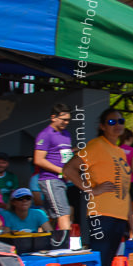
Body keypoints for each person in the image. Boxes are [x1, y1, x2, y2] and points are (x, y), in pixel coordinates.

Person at [62, 108, 133, 266]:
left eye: (121, 121)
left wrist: (132, 223)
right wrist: (91, 189)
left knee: (109, 265)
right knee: (99, 264)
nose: (117, 125)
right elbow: (68, 169)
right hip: (102, 214)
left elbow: (124, 190)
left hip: (119, 217)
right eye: (112, 122)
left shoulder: (119, 152)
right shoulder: (96, 145)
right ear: (102, 126)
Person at [33, 103, 74, 248]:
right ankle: (66, 247)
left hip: (63, 180)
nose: (66, 123)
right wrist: (60, 171)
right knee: (64, 212)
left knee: (50, 215)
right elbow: (38, 159)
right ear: (53, 117)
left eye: (68, 120)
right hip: (50, 180)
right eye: (63, 119)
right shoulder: (45, 134)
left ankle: (39, 244)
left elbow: (65, 155)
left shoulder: (67, 134)